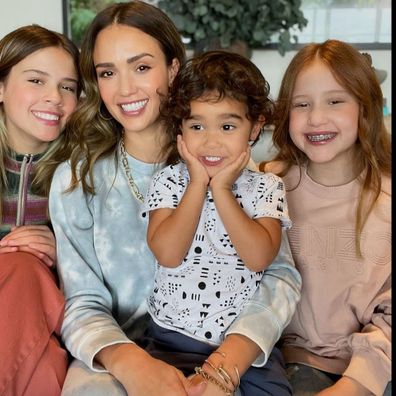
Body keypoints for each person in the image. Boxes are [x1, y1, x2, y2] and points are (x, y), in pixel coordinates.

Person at [48, 2, 301, 395]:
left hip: (230, 350)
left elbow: (279, 276)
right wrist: (130, 363)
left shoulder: (227, 161)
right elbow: (81, 303)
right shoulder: (76, 180)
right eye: (108, 73)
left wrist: (226, 364)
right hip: (122, 354)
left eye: (142, 67)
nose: (126, 88)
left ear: (174, 68)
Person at [142, 50, 293, 395]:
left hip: (244, 345)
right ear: (179, 129)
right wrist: (198, 184)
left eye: (227, 126)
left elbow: (259, 257)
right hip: (171, 336)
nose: (210, 141)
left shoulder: (267, 187)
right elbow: (167, 253)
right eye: (196, 125)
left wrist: (222, 189)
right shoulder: (168, 182)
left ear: (254, 128)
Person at [259, 39, 391, 396]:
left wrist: (354, 384)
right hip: (287, 360)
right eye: (302, 104)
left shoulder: (387, 197)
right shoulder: (267, 184)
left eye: (335, 101)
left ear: (365, 108)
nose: (316, 118)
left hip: (376, 366)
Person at [0, 24, 80, 395]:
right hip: (28, 335)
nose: (55, 98)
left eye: (67, 86)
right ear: (0, 87)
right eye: (36, 80)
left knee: (26, 267)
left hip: (49, 314)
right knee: (46, 366)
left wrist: (61, 244)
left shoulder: (87, 168)